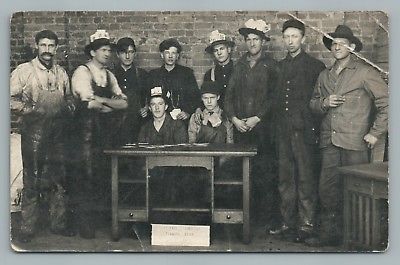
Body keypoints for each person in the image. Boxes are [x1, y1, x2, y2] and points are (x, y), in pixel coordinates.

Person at [308, 25, 388, 246]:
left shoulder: (365, 72)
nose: (336, 47)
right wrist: (325, 102)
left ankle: (355, 240)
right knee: (327, 189)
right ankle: (329, 236)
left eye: (341, 43)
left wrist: (374, 133)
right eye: (333, 43)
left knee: (357, 192)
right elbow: (312, 104)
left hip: (355, 143)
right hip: (329, 143)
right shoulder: (324, 75)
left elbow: (388, 103)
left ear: (352, 47)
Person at [10, 29, 76, 243]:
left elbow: (69, 98)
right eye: (43, 45)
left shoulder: (61, 72)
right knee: (33, 179)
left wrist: (69, 108)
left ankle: (59, 224)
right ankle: (27, 228)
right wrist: (30, 109)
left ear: (56, 48)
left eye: (51, 46)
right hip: (34, 131)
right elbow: (9, 99)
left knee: (60, 178)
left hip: (58, 131)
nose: (47, 50)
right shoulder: (24, 71)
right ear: (37, 46)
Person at [269, 19, 326, 242]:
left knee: (305, 179)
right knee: (285, 179)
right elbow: (275, 101)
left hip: (304, 133)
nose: (290, 41)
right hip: (283, 132)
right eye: (287, 36)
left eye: (294, 36)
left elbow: (319, 102)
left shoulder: (315, 66)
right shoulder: (279, 66)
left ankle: (307, 224)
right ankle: (287, 223)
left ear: (303, 38)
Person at [71, 29, 128, 239]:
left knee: (104, 176)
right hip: (83, 136)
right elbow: (89, 104)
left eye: (109, 50)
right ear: (93, 52)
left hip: (104, 135)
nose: (107, 54)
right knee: (85, 177)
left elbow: (124, 103)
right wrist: (105, 104)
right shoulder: (82, 72)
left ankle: (101, 222)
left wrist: (103, 101)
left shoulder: (109, 75)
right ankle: (85, 226)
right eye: (103, 50)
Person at [224, 19, 280, 226]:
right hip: (242, 130)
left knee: (265, 173)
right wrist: (235, 119)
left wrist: (258, 117)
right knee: (243, 174)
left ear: (263, 41)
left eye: (256, 39)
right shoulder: (238, 66)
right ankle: (246, 219)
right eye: (248, 39)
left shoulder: (271, 65)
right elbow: (228, 97)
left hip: (264, 130)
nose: (252, 43)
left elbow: (275, 97)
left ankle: (265, 220)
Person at [147, 38, 201, 122]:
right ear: (162, 55)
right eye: (167, 53)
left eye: (173, 53)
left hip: (180, 120)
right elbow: (148, 98)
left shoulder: (186, 74)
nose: (170, 56)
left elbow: (195, 97)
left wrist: (187, 112)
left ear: (177, 56)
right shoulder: (153, 75)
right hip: (159, 120)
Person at [113, 37, 149, 144]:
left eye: (131, 52)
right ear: (117, 54)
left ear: (135, 54)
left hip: (137, 124)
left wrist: (147, 108)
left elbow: (150, 97)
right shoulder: (110, 75)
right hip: (115, 125)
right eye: (124, 52)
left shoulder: (143, 75)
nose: (128, 56)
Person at [203, 30, 235, 108]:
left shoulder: (239, 70)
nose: (219, 53)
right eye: (216, 50)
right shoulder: (210, 74)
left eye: (222, 49)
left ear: (229, 50)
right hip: (217, 116)